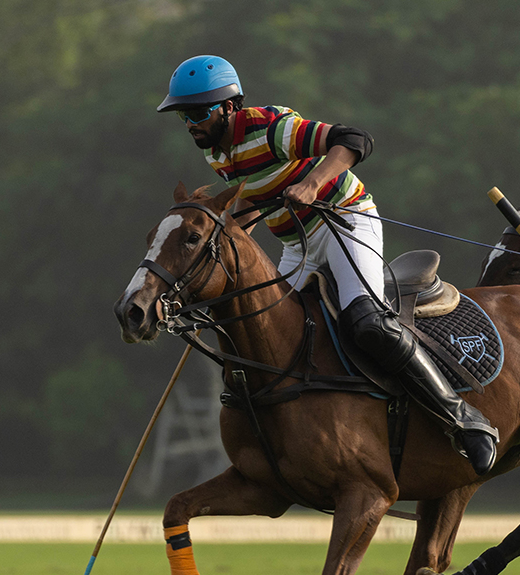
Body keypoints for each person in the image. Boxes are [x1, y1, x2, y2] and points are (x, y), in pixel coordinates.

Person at [156, 54, 499, 474]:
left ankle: (464, 420)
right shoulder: (217, 152)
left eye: (197, 112)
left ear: (227, 107)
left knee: (367, 320)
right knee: (262, 325)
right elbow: (251, 201)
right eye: (183, 115)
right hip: (296, 243)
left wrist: (312, 182)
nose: (190, 122)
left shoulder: (271, 128)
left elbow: (355, 139)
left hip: (345, 221)